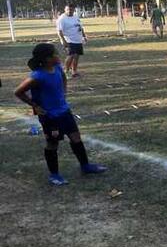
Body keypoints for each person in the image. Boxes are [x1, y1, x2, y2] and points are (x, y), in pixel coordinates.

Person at [14, 43, 107, 186]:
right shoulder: (37, 76)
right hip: (49, 116)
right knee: (53, 144)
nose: (58, 56)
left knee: (76, 137)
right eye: (55, 54)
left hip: (64, 111)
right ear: (46, 59)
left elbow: (63, 77)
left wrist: (64, 92)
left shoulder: (57, 68)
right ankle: (54, 175)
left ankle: (85, 166)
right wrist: (35, 106)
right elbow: (18, 92)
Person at [56, 4, 87, 78]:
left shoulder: (75, 17)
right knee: (71, 55)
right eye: (68, 10)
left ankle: (74, 71)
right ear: (65, 10)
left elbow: (80, 27)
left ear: (74, 10)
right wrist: (63, 41)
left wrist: (84, 36)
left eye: (71, 10)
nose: (70, 11)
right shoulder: (62, 19)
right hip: (69, 40)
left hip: (78, 39)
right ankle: (65, 72)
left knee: (76, 56)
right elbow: (59, 31)